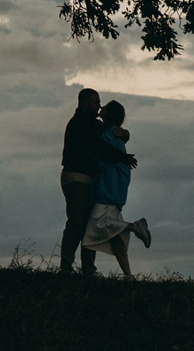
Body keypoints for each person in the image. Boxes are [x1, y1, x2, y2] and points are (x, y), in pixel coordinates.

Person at [59, 88, 133, 274]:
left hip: (85, 179)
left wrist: (125, 134)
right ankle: (68, 267)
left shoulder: (92, 124)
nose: (99, 106)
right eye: (95, 102)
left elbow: (112, 133)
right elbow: (98, 147)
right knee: (77, 224)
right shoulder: (80, 124)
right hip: (77, 177)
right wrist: (121, 156)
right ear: (84, 103)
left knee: (87, 225)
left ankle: (85, 269)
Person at [78, 100, 152, 276]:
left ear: (109, 114)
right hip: (116, 185)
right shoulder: (114, 133)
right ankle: (128, 275)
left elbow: (100, 152)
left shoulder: (108, 133)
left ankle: (134, 227)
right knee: (116, 235)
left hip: (108, 185)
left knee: (97, 224)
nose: (100, 107)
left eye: (104, 107)